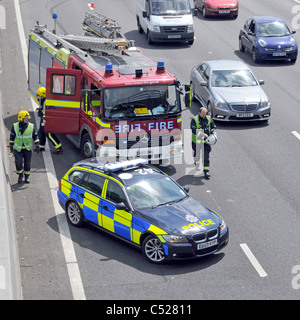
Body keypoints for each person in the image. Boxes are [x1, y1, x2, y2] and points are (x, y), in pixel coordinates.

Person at [10, 110, 39, 183]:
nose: (27, 119)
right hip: (18, 149)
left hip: (27, 149)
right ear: (21, 119)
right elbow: (12, 136)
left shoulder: (31, 126)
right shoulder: (15, 126)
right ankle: (20, 175)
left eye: (27, 118)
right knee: (18, 162)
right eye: (26, 118)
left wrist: (37, 144)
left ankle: (27, 176)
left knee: (27, 163)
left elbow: (35, 135)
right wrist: (11, 145)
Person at [190, 107, 217, 179]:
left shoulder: (208, 118)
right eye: (203, 114)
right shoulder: (194, 120)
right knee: (197, 155)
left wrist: (213, 131)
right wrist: (202, 134)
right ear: (199, 113)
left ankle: (206, 172)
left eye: (205, 114)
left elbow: (212, 126)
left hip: (206, 142)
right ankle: (197, 163)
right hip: (197, 142)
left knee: (206, 156)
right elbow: (193, 130)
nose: (204, 115)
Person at [36, 87, 63, 153]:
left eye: (41, 96)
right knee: (41, 133)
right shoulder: (44, 101)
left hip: (47, 120)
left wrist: (45, 119)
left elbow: (51, 111)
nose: (40, 98)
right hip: (44, 119)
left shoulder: (48, 101)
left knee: (49, 135)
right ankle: (41, 147)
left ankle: (59, 148)